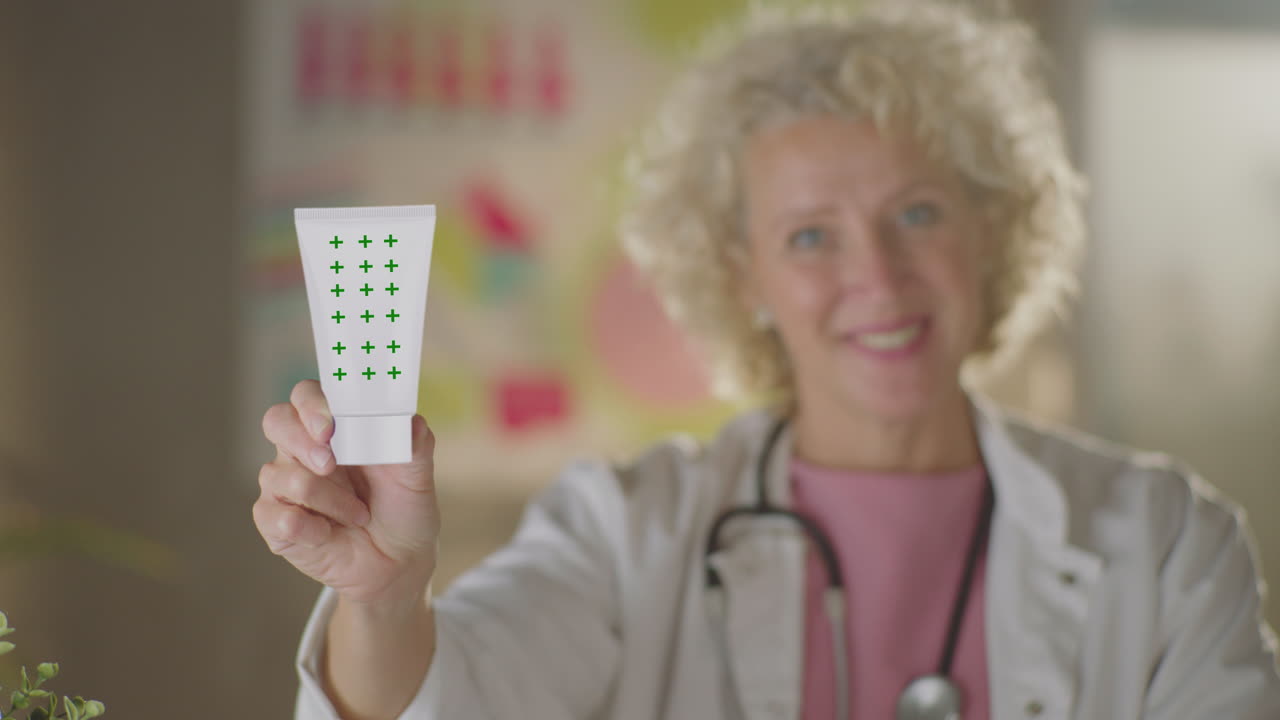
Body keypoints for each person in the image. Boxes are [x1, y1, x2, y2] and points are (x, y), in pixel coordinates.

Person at [253, 2, 1280, 718]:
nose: (875, 275)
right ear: (736, 272)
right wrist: (383, 599)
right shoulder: (626, 531)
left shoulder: (1162, 546)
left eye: (915, 212)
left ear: (991, 228)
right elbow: (450, 700)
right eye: (808, 236)